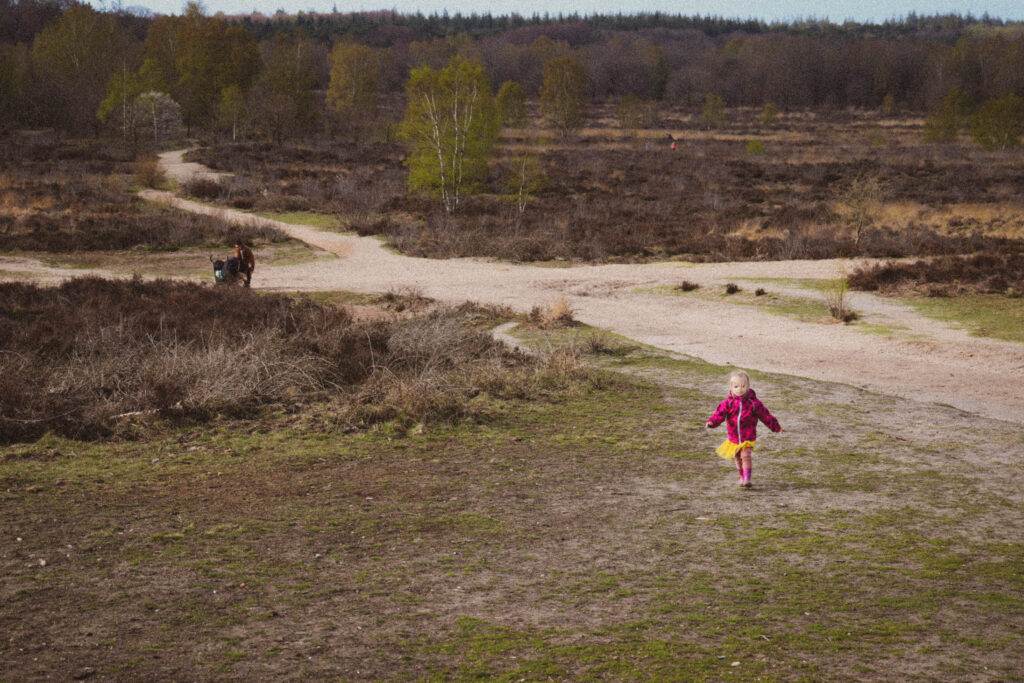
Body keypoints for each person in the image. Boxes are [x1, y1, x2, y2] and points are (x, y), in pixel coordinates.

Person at [705, 370, 782, 488]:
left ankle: (747, 479)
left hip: (748, 436)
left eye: (743, 386)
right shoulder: (727, 403)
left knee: (745, 455)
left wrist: (776, 427)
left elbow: (765, 416)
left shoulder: (754, 403)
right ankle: (741, 476)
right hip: (734, 437)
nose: (739, 389)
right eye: (736, 386)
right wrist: (711, 422)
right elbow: (718, 415)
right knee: (737, 457)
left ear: (748, 386)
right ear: (731, 387)